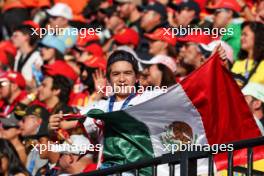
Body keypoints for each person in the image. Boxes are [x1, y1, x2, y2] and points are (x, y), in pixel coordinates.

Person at [49, 50, 165, 175]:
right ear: (108, 79)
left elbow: (180, 94)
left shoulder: (149, 99)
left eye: (127, 73)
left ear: (136, 77)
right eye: (116, 74)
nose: (122, 79)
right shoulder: (101, 107)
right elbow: (67, 122)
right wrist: (55, 122)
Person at [231, 22, 264, 87]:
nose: (241, 38)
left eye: (245, 35)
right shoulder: (238, 62)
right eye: (241, 35)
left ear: (258, 36)